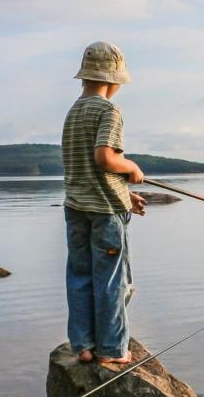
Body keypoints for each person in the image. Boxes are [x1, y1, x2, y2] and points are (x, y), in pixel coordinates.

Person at [61, 41, 147, 364]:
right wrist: (132, 168)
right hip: (104, 213)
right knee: (112, 281)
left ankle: (83, 345)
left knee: (80, 276)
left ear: (85, 76)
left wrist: (126, 194)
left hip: (75, 208)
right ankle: (111, 349)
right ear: (114, 81)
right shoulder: (109, 111)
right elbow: (105, 159)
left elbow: (87, 169)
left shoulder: (73, 112)